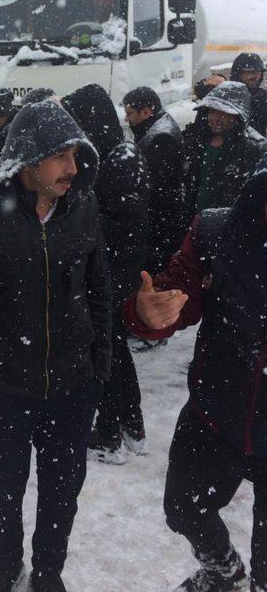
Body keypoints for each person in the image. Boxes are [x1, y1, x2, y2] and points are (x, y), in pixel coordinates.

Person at [0, 100, 111, 592]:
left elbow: (100, 291)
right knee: (5, 490)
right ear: (30, 160)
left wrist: (99, 368)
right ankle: (4, 565)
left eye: (77, 157)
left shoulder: (83, 210)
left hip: (74, 387)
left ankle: (48, 572)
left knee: (62, 492)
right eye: (62, 158)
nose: (72, 170)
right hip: (4, 389)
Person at [124, 155, 267, 592]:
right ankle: (224, 572)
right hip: (216, 410)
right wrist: (149, 313)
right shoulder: (220, 230)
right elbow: (174, 293)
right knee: (183, 509)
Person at [61, 84, 149, 463]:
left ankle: (111, 432)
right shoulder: (116, 152)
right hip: (115, 268)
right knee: (116, 351)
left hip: (112, 271)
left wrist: (81, 228)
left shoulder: (116, 159)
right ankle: (132, 426)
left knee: (105, 352)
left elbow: (126, 221)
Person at [182, 81, 266, 224]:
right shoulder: (199, 139)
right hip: (198, 222)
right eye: (212, 111)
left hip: (231, 226)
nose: (214, 118)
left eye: (223, 113)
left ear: (238, 116)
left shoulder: (255, 147)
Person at [123, 86, 185, 273]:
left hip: (161, 221)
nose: (126, 119)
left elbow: (158, 188)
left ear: (146, 112)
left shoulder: (160, 138)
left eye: (130, 113)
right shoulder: (157, 128)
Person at [230, 52, 267, 137]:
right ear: (238, 73)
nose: (255, 76)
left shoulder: (263, 96)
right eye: (250, 72)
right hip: (229, 146)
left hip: (256, 147)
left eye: (258, 71)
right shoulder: (227, 94)